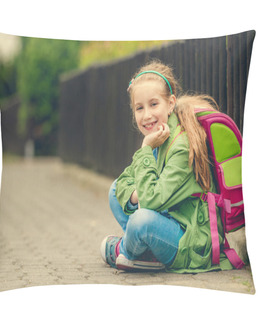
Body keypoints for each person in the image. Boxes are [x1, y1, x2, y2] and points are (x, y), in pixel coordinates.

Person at [100, 60, 235, 273]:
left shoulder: (180, 145)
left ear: (170, 103)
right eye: (139, 108)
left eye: (154, 104)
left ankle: (122, 249)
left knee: (140, 220)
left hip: (188, 238)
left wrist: (145, 149)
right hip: (167, 217)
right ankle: (144, 252)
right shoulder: (159, 137)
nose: (147, 115)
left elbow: (152, 201)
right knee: (115, 190)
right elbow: (127, 179)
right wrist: (136, 196)